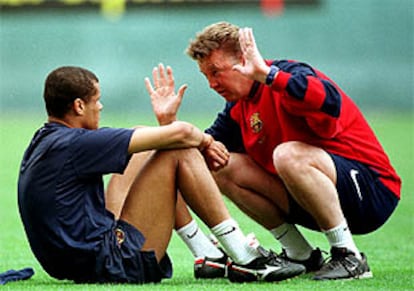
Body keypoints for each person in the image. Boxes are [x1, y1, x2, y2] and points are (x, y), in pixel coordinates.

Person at [17, 65, 306, 284]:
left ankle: (210, 256)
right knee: (178, 150)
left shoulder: (48, 140)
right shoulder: (75, 144)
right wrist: (205, 142)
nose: (101, 106)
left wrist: (165, 123)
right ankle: (244, 257)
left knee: (147, 150)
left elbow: (144, 137)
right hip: (109, 262)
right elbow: (181, 135)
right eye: (97, 99)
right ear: (79, 106)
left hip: (78, 258)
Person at [185, 22, 401, 280]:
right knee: (219, 163)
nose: (211, 83)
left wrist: (269, 76)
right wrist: (168, 128)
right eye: (205, 75)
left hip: (372, 191)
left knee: (287, 155)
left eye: (216, 72)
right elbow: (203, 150)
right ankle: (300, 255)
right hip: (314, 199)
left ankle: (349, 257)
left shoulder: (287, 74)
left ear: (243, 60)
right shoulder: (238, 107)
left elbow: (329, 100)